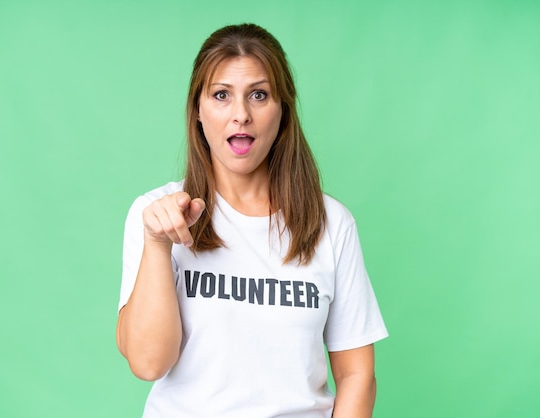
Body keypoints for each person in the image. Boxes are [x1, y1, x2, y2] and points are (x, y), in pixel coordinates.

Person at [116, 23, 388, 417]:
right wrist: (157, 244)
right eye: (221, 95)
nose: (240, 115)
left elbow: (356, 375)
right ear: (198, 109)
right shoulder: (157, 213)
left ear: (283, 109)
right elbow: (147, 363)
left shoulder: (331, 222)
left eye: (258, 95)